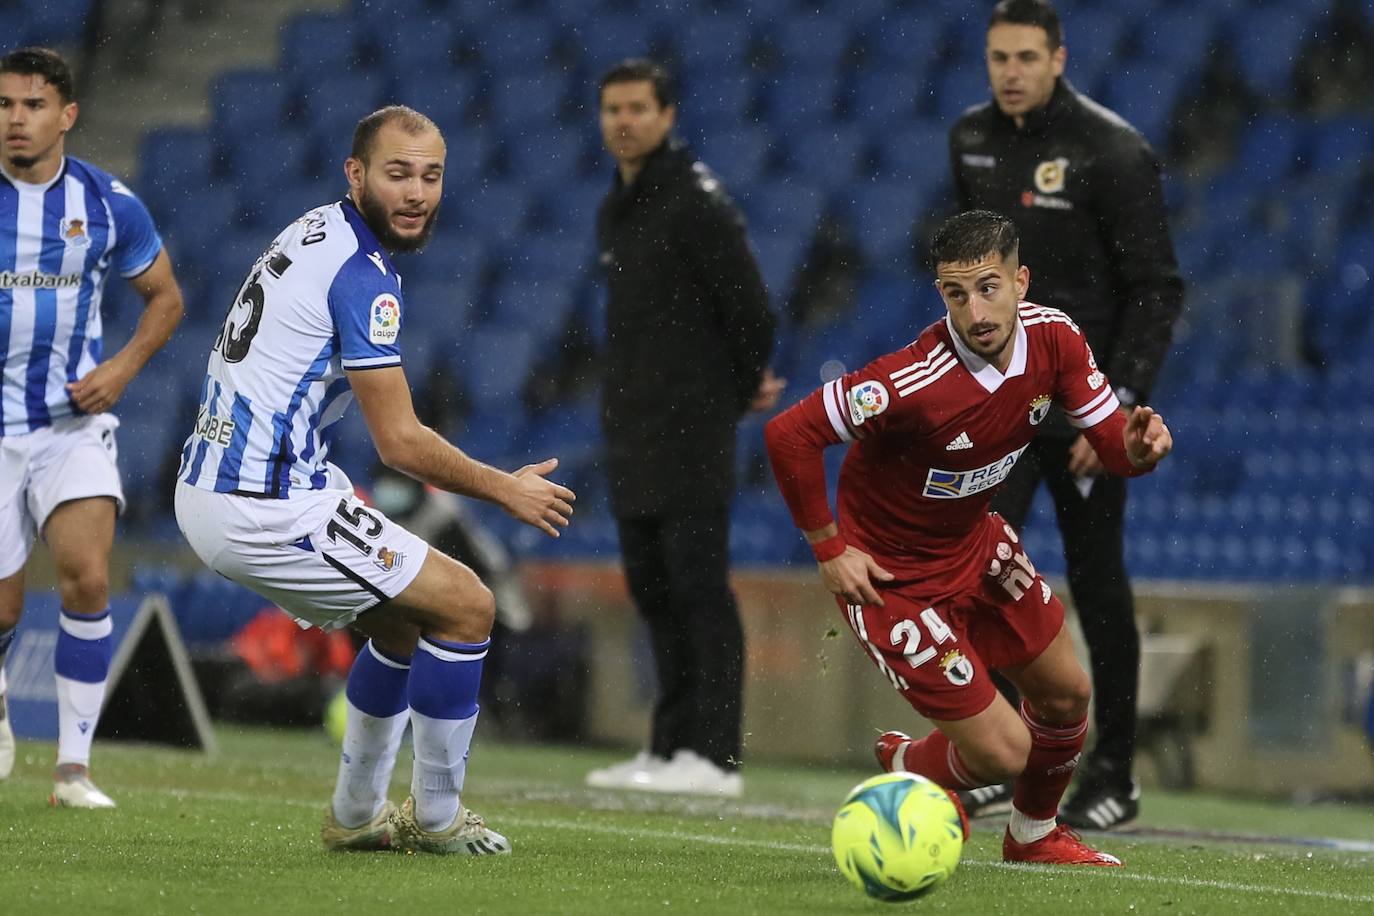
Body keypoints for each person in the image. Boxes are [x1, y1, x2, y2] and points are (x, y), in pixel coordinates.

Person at [172, 105, 575, 855]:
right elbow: (399, 443)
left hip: (247, 482)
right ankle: (438, 816)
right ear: (355, 174)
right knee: (468, 604)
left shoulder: (316, 229)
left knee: (396, 622)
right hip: (261, 501)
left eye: (431, 176)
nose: (417, 192)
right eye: (398, 174)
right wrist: (505, 488)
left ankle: (356, 815)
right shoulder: (362, 274)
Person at [765, 210, 1173, 866]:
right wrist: (829, 549)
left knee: (1068, 696)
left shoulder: (1056, 340)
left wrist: (1136, 447)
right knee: (1003, 753)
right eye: (957, 294)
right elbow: (790, 433)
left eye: (989, 287)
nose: (976, 311)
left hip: (976, 545)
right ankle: (906, 762)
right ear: (941, 295)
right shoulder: (912, 381)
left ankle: (1033, 837)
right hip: (893, 579)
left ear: (1021, 281)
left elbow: (1111, 445)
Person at [947, 0, 1185, 828]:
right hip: (999, 414)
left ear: (1058, 58)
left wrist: (1110, 407)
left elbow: (1156, 287)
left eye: (1024, 57)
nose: (1009, 72)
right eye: (997, 58)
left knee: (1095, 586)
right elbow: (966, 273)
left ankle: (1113, 775)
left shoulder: (1111, 152)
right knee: (974, 575)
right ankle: (996, 753)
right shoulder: (970, 138)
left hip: (1082, 413)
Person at [584, 59, 782, 797]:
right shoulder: (618, 206)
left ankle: (716, 756)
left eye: (637, 107)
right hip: (634, 429)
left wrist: (727, 394)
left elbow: (754, 311)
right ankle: (668, 749)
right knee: (653, 590)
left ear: (668, 116)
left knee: (699, 588)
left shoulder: (697, 202)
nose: (623, 121)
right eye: (612, 108)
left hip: (693, 431)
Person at [0, 47, 185, 807]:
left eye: (32, 105)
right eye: (5, 105)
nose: (16, 118)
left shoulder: (109, 204)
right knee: (5, 610)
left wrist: (122, 368)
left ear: (67, 115)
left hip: (70, 426)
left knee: (87, 575)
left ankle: (73, 769)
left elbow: (166, 298)